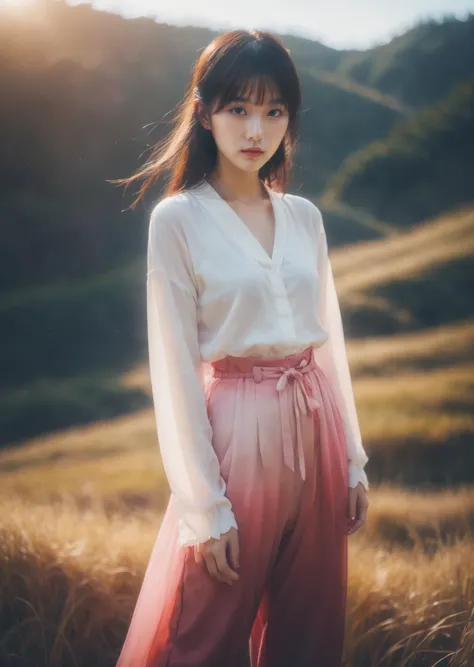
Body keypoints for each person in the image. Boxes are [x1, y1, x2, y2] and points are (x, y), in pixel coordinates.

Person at [113, 28, 370, 667]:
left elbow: (329, 338)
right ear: (204, 113)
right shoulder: (177, 220)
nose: (256, 129)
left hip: (319, 423)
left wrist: (353, 461)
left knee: (310, 632)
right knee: (202, 632)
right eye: (238, 109)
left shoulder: (305, 217)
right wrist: (206, 506)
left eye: (274, 110)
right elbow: (172, 370)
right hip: (235, 429)